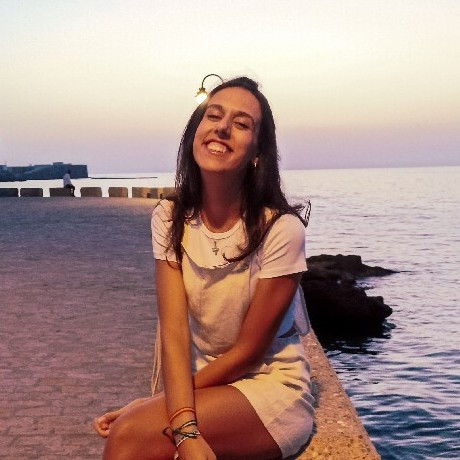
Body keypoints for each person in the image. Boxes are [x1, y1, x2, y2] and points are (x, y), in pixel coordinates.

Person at [93, 76, 314, 459]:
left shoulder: (280, 229)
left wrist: (178, 421)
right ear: (195, 132)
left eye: (241, 123)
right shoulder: (170, 217)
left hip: (268, 383)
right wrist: (171, 407)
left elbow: (248, 352)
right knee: (130, 432)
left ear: (257, 152)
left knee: (129, 435)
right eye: (213, 116)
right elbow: (174, 331)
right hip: (202, 382)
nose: (222, 128)